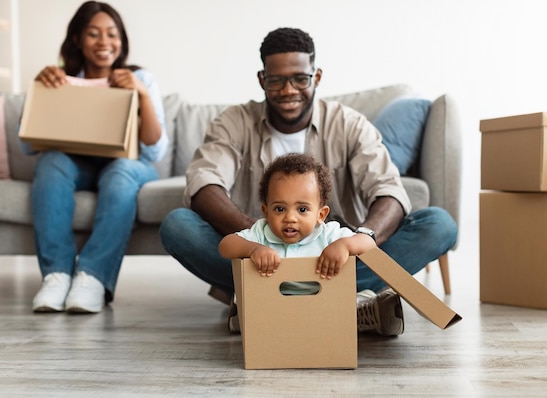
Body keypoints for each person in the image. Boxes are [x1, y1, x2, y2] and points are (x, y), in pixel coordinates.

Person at [160, 27, 457, 336]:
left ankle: (277, 304)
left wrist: (356, 241)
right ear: (263, 80)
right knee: (177, 225)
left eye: (300, 79)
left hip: (337, 258)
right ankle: (341, 305)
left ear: (316, 77)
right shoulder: (234, 122)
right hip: (262, 262)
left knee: (438, 223)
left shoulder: (349, 123)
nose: (289, 90)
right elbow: (203, 182)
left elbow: (388, 189)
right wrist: (256, 241)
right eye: (276, 80)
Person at [26, 1, 169, 314]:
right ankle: (56, 276)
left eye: (111, 34)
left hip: (130, 167)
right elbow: (30, 146)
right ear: (77, 39)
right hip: (80, 166)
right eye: (93, 34)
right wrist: (42, 90)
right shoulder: (61, 79)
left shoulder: (140, 77)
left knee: (120, 173)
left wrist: (141, 94)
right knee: (50, 162)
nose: (104, 42)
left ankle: (91, 278)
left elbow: (156, 150)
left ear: (122, 40)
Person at [219, 153, 390, 333]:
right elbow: (226, 245)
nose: (290, 218)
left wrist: (345, 246)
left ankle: (372, 314)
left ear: (320, 215)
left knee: (358, 297)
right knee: (251, 300)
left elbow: (369, 243)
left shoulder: (328, 234)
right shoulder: (262, 232)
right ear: (266, 212)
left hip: (320, 307)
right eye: (279, 209)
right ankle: (243, 318)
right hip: (274, 308)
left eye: (302, 209)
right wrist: (254, 249)